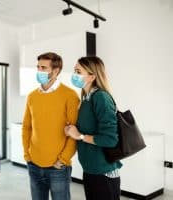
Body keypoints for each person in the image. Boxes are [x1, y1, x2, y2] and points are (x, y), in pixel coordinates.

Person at [22, 52, 80, 200]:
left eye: (43, 68)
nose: (39, 71)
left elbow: (75, 132)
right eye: (38, 67)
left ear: (56, 71)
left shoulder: (70, 95)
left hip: (58, 167)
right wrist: (27, 155)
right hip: (34, 164)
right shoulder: (32, 96)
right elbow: (27, 127)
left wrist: (63, 159)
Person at [64, 56, 122, 200]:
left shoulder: (101, 97)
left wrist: (80, 136)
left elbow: (110, 139)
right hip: (90, 169)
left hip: (104, 172)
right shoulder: (85, 99)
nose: (74, 75)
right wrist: (72, 130)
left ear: (92, 76)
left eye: (78, 71)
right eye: (74, 71)